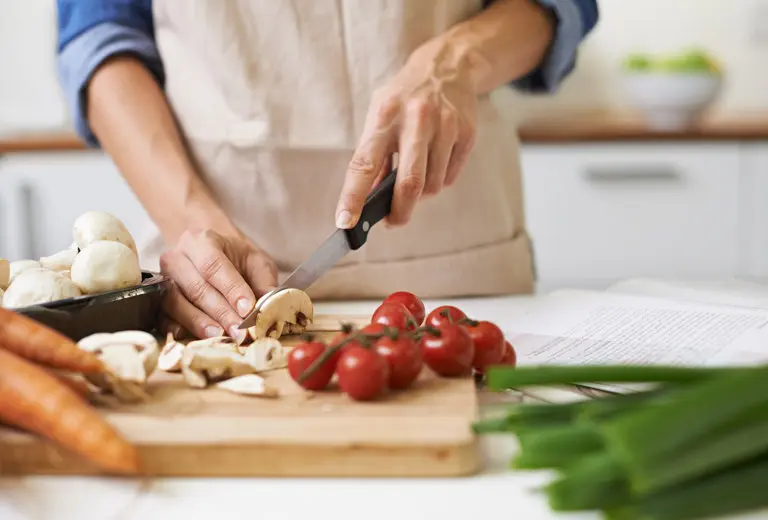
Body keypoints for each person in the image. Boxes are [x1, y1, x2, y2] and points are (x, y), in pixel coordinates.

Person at [56, 0, 598, 341]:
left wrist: (456, 61)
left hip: (459, 260)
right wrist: (190, 218)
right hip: (211, 261)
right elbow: (99, 36)